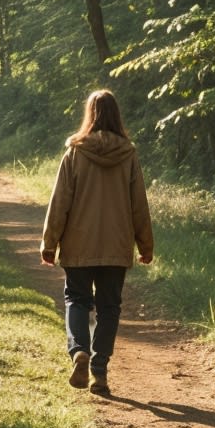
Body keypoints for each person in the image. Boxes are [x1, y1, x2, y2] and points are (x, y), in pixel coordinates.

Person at [39, 87, 153, 396]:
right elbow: (138, 204)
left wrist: (49, 243)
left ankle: (79, 352)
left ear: (89, 115)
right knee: (109, 308)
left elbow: (60, 201)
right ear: (117, 116)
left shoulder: (75, 152)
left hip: (79, 244)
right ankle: (99, 371)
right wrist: (145, 245)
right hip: (116, 247)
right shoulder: (128, 155)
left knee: (77, 299)